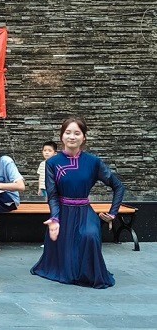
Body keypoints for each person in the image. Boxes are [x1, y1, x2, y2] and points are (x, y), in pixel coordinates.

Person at [31, 117, 124, 289]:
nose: (72, 137)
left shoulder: (93, 162)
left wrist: (113, 213)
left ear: (84, 137)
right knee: (68, 258)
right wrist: (55, 219)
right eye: (68, 133)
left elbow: (118, 186)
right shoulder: (52, 163)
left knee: (90, 236)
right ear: (62, 136)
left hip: (84, 211)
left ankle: (89, 274)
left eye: (77, 133)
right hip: (63, 213)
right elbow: (52, 195)